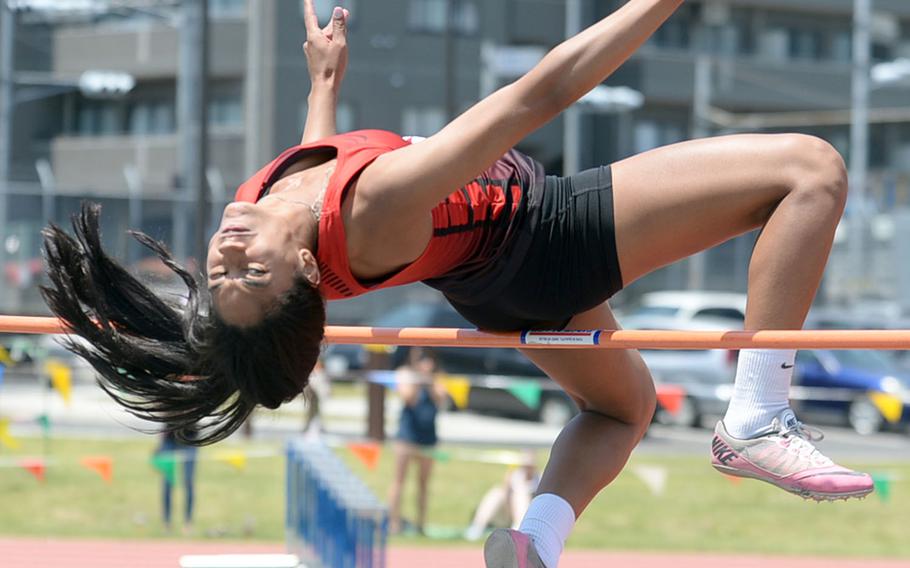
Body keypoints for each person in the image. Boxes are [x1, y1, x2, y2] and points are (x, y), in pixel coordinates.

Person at [40, 1, 874, 566]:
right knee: (811, 171)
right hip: (546, 234)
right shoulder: (377, 209)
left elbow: (312, 174)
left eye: (219, 274)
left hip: (488, 286)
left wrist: (323, 86)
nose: (225, 251)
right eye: (248, 271)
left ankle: (534, 543)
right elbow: (539, 92)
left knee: (622, 409)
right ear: (300, 274)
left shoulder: (266, 208)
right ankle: (757, 416)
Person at [387, 347, 447, 535]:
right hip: (407, 435)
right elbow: (409, 398)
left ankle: (421, 524)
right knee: (399, 481)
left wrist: (429, 380)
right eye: (421, 358)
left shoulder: (436, 377)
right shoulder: (405, 373)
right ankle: (394, 524)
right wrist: (418, 377)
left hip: (428, 436)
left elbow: (441, 399)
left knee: (423, 483)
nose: (426, 363)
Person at [465, 450, 540, 542]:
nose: (527, 468)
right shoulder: (514, 476)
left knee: (521, 495)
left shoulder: (538, 479)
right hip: (507, 512)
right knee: (496, 492)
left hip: (527, 517)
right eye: (525, 465)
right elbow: (505, 493)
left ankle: (518, 529)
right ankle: (477, 526)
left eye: (529, 466)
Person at [155, 424, 198, 534]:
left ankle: (188, 523)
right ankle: (167, 524)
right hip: (169, 437)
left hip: (190, 437)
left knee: (188, 481)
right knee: (167, 482)